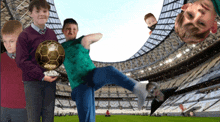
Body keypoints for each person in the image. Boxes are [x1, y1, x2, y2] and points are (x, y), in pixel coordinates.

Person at [61, 18, 164, 122]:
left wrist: (86, 39)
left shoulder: (81, 41)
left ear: (77, 31)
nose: (71, 31)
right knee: (88, 118)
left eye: (74, 29)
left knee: (110, 71)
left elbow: (100, 35)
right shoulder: (60, 48)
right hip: (79, 85)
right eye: (68, 29)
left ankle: (137, 88)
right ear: (63, 30)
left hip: (92, 75)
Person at [15, 0, 58, 121]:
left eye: (44, 11)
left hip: (50, 83)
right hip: (32, 84)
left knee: (49, 117)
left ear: (49, 13)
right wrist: (42, 76)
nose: (41, 14)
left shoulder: (52, 34)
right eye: (37, 11)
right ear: (30, 14)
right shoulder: (24, 35)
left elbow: (56, 55)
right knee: (33, 118)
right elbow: (21, 61)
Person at [1, 20, 27, 122]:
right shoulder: (1, 59)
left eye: (11, 41)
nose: (8, 45)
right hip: (2, 109)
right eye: (4, 41)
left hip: (22, 110)